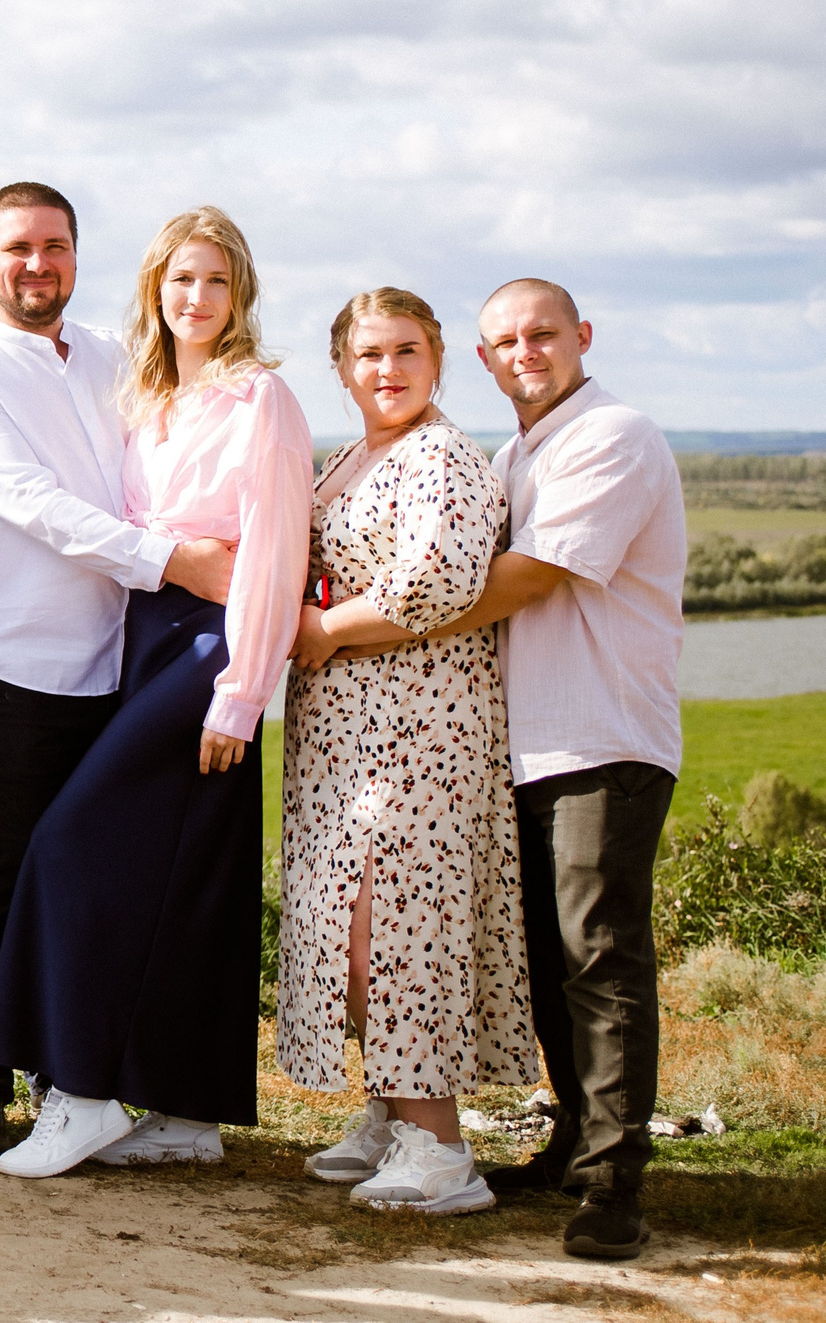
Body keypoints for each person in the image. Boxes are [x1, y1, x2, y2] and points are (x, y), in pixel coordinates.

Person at [0, 204, 311, 1179]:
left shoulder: (263, 400)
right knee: (196, 874)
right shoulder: (150, 396)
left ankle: (78, 1093)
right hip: (151, 634)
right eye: (179, 281)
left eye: (214, 280)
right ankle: (190, 1110)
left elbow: (274, 553)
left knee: (70, 843)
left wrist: (243, 691)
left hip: (216, 647)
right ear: (153, 292)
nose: (196, 297)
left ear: (238, 292)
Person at [0, 183, 237, 1166]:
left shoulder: (112, 354)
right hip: (18, 664)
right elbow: (32, 504)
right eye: (17, 247)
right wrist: (177, 562)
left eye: (54, 246)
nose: (37, 265)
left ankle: (80, 1080)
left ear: (75, 255)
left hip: (129, 661)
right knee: (5, 878)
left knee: (99, 879)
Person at [421, 280, 685, 1262]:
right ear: (484, 362)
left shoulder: (613, 435)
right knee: (547, 957)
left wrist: (376, 618)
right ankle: (573, 1138)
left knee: (598, 957)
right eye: (504, 342)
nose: (524, 352)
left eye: (542, 334)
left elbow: (531, 577)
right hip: (527, 746)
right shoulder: (513, 451)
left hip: (602, 740)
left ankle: (615, 1181)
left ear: (582, 336)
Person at [281, 288, 538, 1215]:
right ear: (342, 367)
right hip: (345, 728)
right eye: (367, 354)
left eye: (404, 350)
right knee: (341, 914)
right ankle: (392, 1109)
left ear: (437, 358)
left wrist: (324, 629)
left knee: (391, 923)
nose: (386, 369)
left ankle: (440, 1145)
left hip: (419, 720)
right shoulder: (352, 456)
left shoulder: (443, 455)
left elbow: (437, 580)